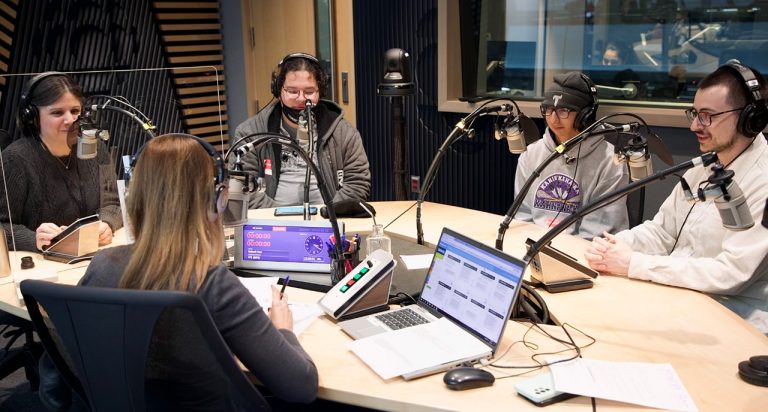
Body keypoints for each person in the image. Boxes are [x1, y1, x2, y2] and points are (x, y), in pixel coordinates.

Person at [78, 134, 319, 407]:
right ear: (217, 199)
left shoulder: (101, 268)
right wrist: (283, 329)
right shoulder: (212, 283)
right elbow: (301, 386)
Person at [585, 63, 768, 333]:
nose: (695, 125)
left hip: (734, 320)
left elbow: (731, 274)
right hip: (682, 299)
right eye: (694, 113)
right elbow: (662, 232)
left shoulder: (762, 180)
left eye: (707, 116)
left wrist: (633, 263)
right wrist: (613, 247)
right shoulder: (706, 165)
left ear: (750, 118)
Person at [0, 72, 121, 252]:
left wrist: (106, 222)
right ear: (33, 117)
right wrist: (34, 239)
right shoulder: (15, 159)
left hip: (95, 256)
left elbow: (115, 203)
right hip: (42, 267)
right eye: (57, 113)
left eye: (75, 111)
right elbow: (2, 226)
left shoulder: (96, 149)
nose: (70, 120)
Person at [233, 52, 371, 208]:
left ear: (321, 92)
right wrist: (279, 220)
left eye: (309, 92)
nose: (300, 99)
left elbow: (357, 183)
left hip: (328, 223)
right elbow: (241, 187)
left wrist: (329, 215)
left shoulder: (343, 133)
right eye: (292, 91)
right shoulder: (250, 133)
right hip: (272, 225)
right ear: (278, 90)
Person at [514, 71, 629, 240]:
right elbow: (523, 218)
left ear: (585, 115)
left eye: (564, 111)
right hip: (534, 250)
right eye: (548, 110)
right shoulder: (531, 154)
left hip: (583, 255)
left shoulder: (611, 161)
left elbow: (596, 235)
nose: (553, 119)